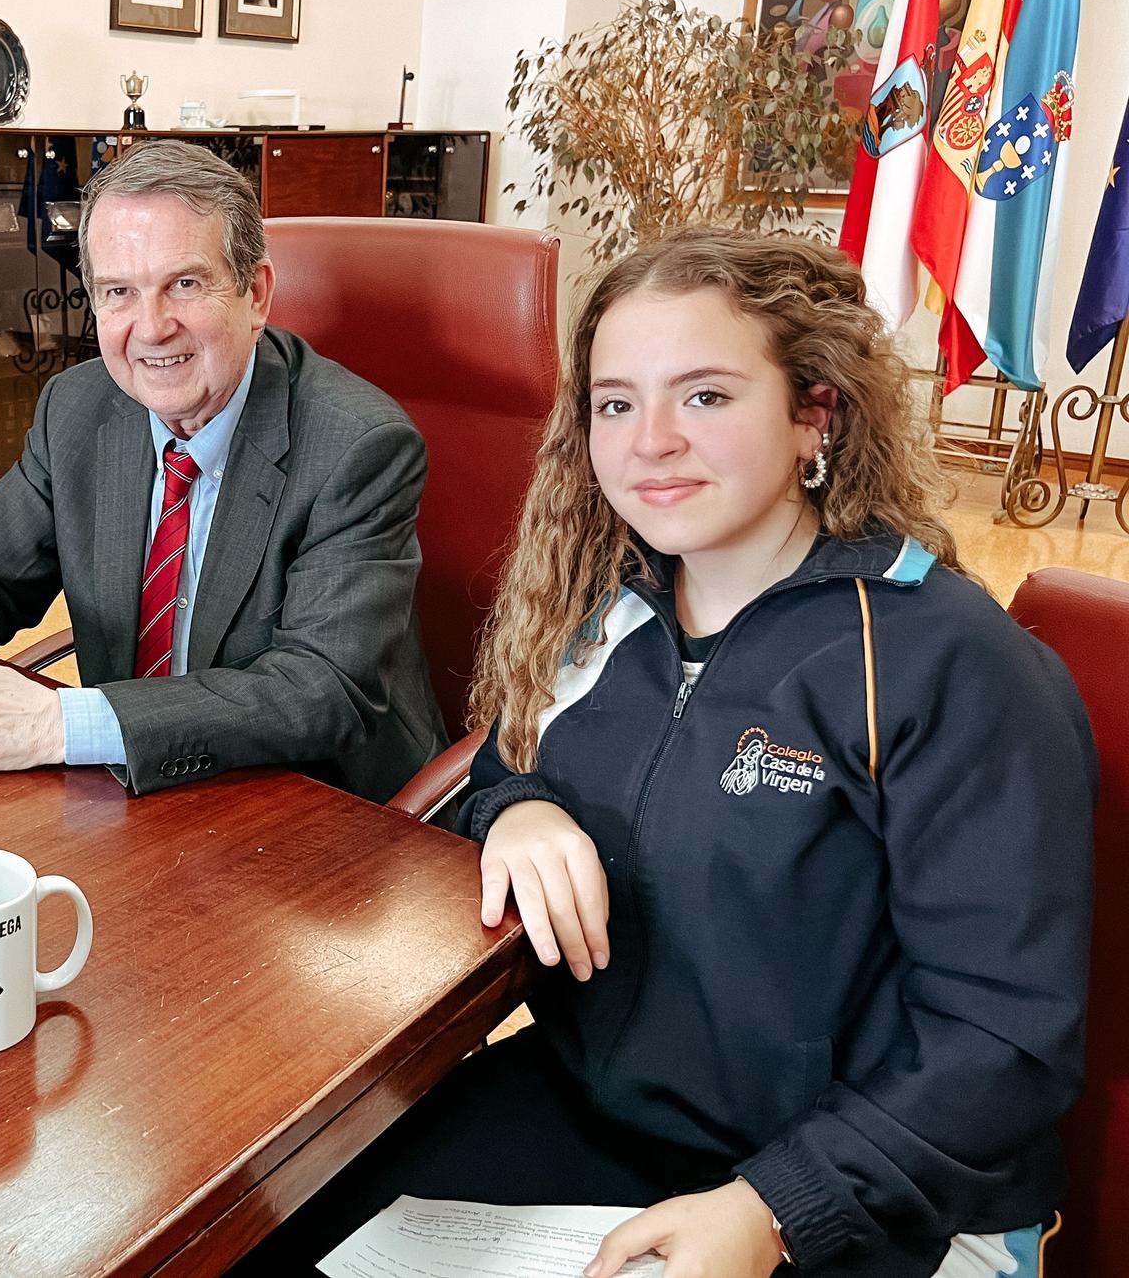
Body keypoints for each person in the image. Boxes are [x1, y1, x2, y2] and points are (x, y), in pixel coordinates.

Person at [234, 230, 1095, 1278]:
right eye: (613, 403)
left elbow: (1000, 1044)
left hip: (876, 1195)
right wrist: (519, 806)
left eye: (704, 397)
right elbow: (511, 754)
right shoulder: (608, 606)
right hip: (598, 1116)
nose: (647, 443)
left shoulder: (952, 667)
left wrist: (774, 1209)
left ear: (811, 414)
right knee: (267, 1233)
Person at [0, 139, 445, 801]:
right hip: (139, 801)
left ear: (256, 295)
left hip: (319, 810)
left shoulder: (356, 445)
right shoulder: (79, 409)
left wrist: (57, 722)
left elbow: (323, 691)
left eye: (184, 284)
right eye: (119, 292)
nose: (151, 327)